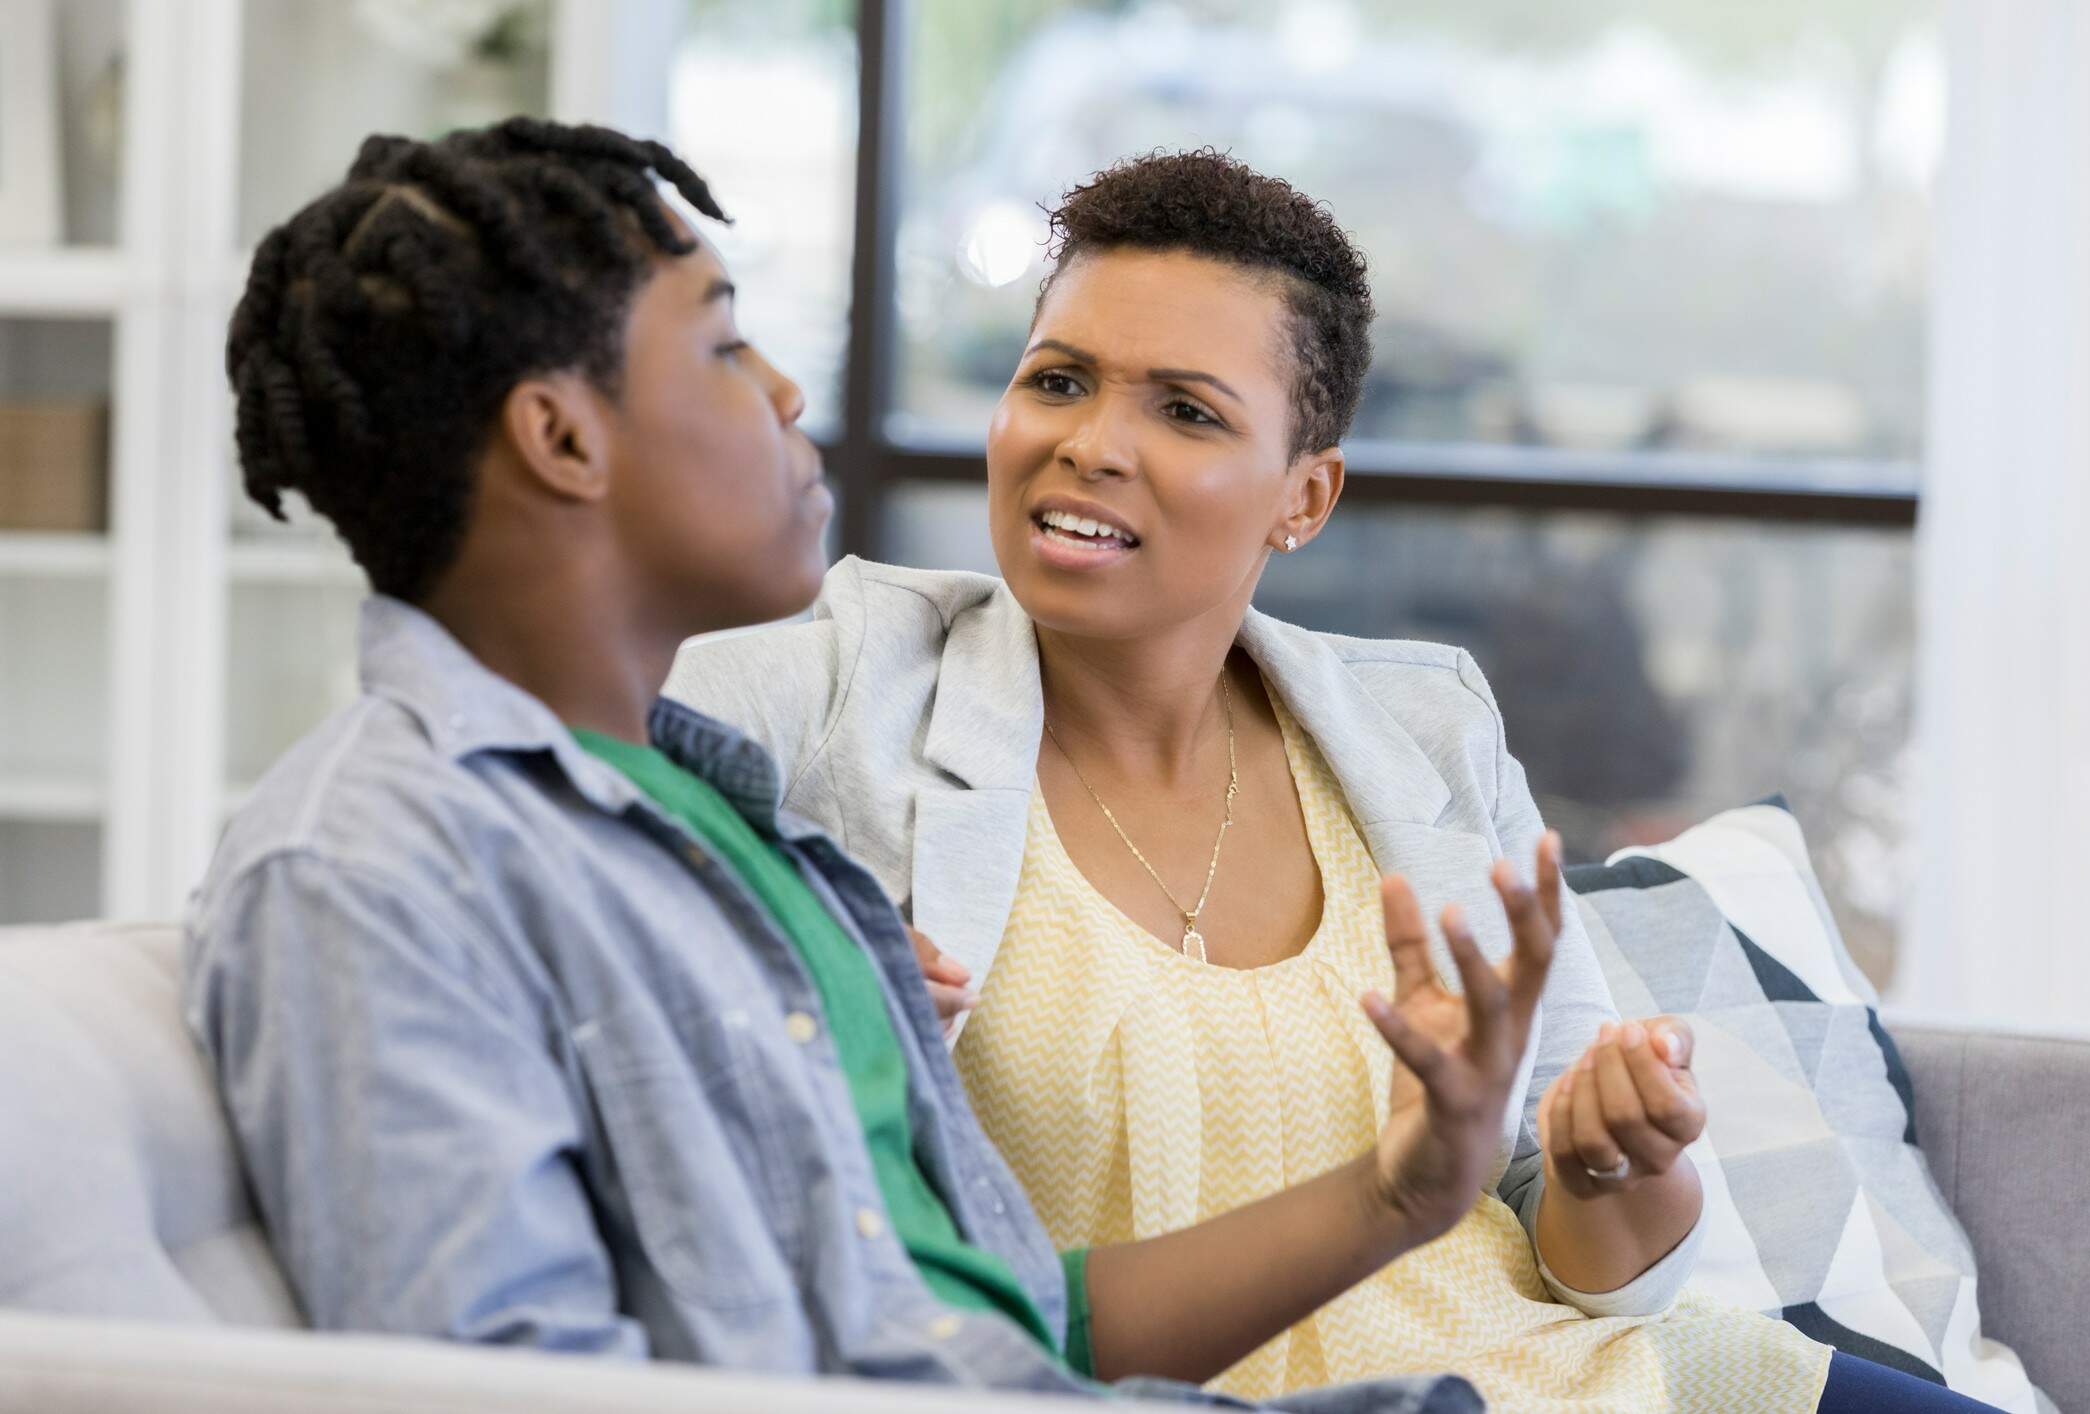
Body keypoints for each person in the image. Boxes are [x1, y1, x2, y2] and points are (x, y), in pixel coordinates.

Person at [182, 118, 1572, 1413]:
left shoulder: (717, 827)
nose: (789, 389)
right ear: (562, 436)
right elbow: (497, 1384)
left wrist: (1402, 1191)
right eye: (725, 352)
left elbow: (1000, 1329)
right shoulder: (370, 867)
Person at [667, 151, 2003, 1414]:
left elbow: (1583, 1252)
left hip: (1586, 1376)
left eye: (1184, 409)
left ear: (1303, 496)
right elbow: (561, 796)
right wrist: (782, 976)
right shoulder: (840, 682)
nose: (1089, 441)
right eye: (1058, 379)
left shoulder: (1419, 725)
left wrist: (1613, 1163)